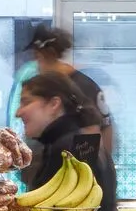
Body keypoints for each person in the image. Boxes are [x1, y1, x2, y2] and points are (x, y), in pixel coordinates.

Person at [15, 71, 119, 211]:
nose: (18, 112)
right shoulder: (71, 140)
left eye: (26, 102)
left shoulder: (68, 149)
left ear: (54, 104)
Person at [25, 24, 113, 154]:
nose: (37, 66)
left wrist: (94, 163)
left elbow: (100, 129)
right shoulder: (54, 86)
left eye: (38, 58)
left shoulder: (81, 86)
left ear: (50, 54)